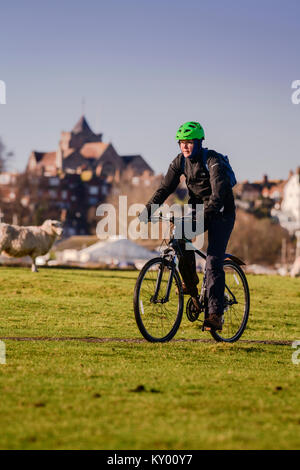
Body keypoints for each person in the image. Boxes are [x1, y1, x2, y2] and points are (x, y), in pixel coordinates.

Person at [139, 121, 236, 331]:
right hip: (199, 210)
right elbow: (165, 188)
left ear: (199, 142)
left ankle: (214, 314)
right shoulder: (180, 162)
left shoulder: (213, 160)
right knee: (179, 236)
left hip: (221, 213)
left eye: (189, 142)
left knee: (212, 262)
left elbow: (218, 195)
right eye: (181, 142)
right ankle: (191, 286)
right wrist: (148, 210)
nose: (185, 146)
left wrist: (206, 215)